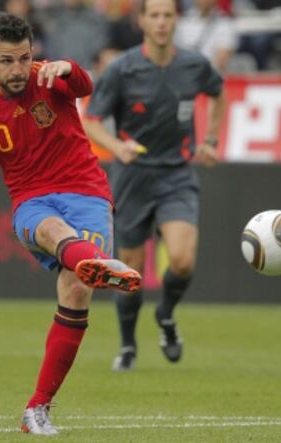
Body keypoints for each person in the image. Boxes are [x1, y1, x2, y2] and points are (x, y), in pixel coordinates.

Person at [0, 12, 141, 435]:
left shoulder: (50, 77)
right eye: (7, 61)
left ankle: (36, 408)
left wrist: (71, 68)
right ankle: (96, 261)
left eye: (24, 58)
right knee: (57, 235)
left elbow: (85, 86)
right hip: (32, 203)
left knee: (76, 289)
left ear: (32, 53)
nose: (18, 69)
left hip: (88, 194)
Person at [83, 0, 226, 371]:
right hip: (133, 176)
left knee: (181, 260)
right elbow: (91, 119)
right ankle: (128, 345)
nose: (162, 22)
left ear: (175, 21)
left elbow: (218, 92)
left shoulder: (193, 64)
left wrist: (210, 140)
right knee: (128, 273)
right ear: (142, 20)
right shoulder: (122, 69)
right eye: (155, 16)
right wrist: (117, 147)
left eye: (168, 16)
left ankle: (165, 312)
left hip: (177, 173)